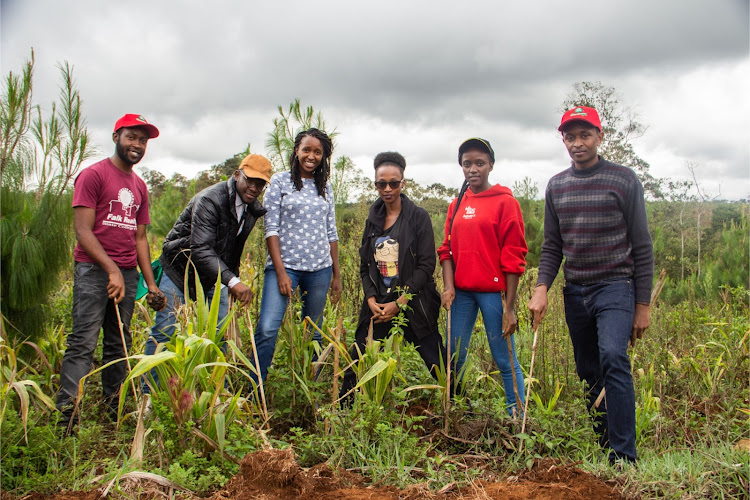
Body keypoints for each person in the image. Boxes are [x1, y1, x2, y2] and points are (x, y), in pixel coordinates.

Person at [527, 106, 654, 465]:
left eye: (585, 135)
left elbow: (642, 245)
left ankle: (624, 455)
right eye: (570, 136)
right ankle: (603, 445)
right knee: (588, 368)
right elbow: (552, 245)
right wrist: (541, 288)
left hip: (616, 286)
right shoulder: (557, 186)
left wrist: (642, 306)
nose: (577, 143)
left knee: (614, 356)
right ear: (563, 139)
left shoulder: (624, 180)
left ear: (600, 136)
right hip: (576, 291)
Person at [56, 114, 163, 432]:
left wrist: (151, 284)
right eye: (132, 137)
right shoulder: (93, 176)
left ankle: (110, 416)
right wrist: (111, 270)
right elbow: (83, 232)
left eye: (143, 141)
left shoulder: (140, 186)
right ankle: (67, 421)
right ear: (116, 136)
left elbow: (140, 238)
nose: (138, 145)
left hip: (128, 276)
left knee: (118, 344)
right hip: (93, 272)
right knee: (83, 344)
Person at [143, 153, 271, 392]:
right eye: (250, 180)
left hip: (213, 276)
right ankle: (149, 396)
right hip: (179, 270)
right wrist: (232, 282)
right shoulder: (210, 199)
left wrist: (233, 279)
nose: (254, 187)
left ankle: (213, 394)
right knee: (165, 332)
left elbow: (231, 248)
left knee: (219, 334)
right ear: (237, 175)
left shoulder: (252, 208)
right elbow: (200, 249)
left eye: (260, 183)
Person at [340, 152, 448, 399]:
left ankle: (461, 404)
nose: (387, 189)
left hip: (413, 301)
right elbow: (365, 266)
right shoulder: (372, 219)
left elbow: (426, 265)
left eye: (393, 183)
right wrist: (370, 300)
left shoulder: (417, 216)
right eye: (381, 183)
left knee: (436, 359)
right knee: (358, 356)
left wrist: (399, 303)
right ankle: (343, 412)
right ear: (375, 184)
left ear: (403, 183)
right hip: (378, 303)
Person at [438, 138, 527, 416]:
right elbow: (446, 249)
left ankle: (517, 416)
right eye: (467, 164)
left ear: (491, 165)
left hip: (493, 294)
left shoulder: (505, 202)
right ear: (461, 167)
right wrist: (448, 287)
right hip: (462, 293)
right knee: (454, 354)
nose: (473, 169)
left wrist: (509, 309)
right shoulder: (457, 204)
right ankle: (459, 410)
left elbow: (514, 257)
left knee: (504, 357)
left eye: (479, 163)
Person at [253, 128, 341, 383]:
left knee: (312, 332)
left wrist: (336, 275)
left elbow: (331, 231)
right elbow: (271, 228)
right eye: (307, 150)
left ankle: (308, 389)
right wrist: (280, 272)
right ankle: (254, 388)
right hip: (285, 267)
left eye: (318, 152)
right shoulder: (279, 182)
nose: (311, 156)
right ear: (296, 151)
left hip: (320, 270)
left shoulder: (326, 187)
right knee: (268, 328)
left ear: (323, 157)